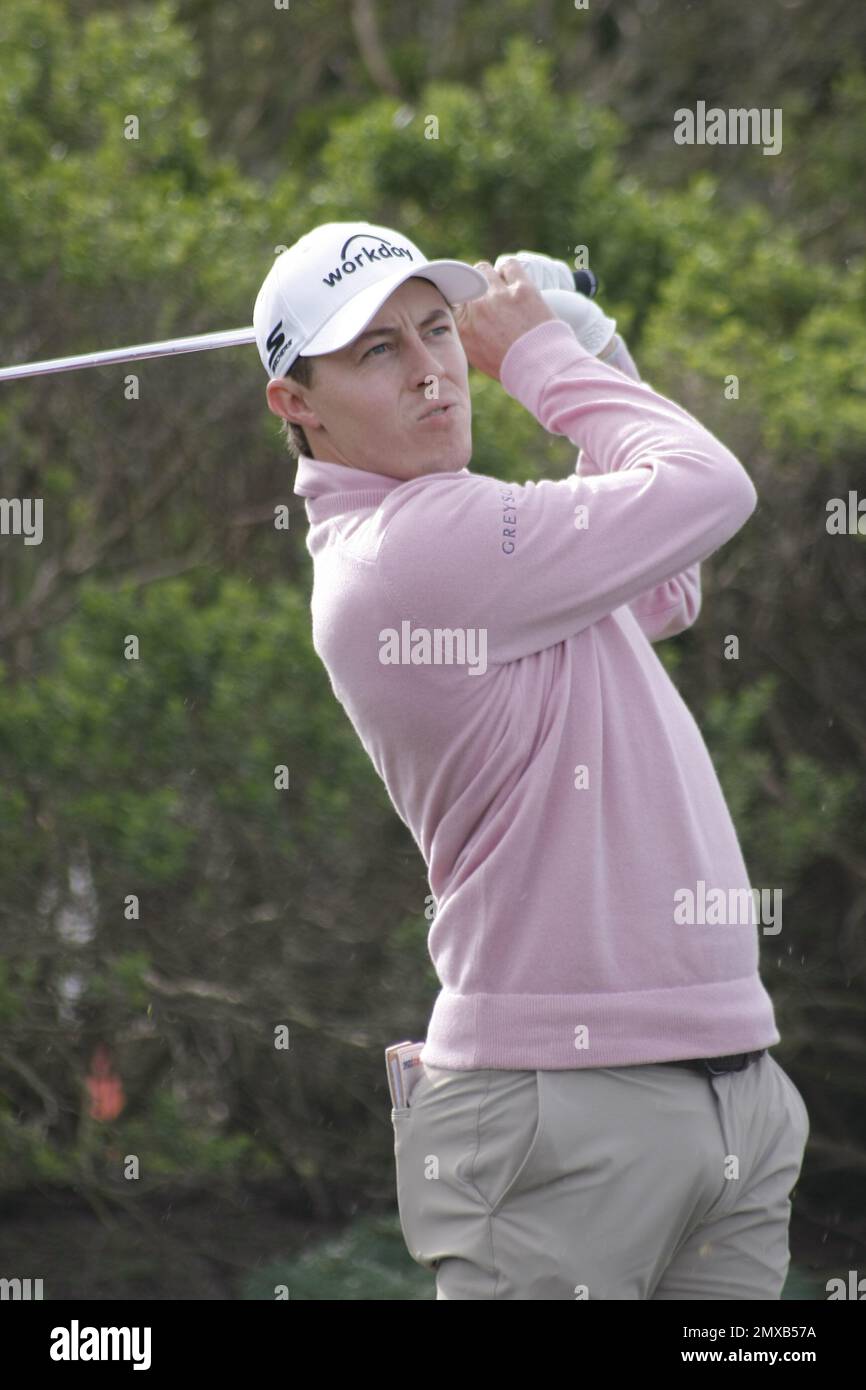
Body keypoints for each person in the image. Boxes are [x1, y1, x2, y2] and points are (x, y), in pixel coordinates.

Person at [252, 220, 809, 1300]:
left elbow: (665, 581)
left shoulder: (485, 544)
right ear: (296, 404)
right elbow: (709, 488)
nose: (429, 371)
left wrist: (591, 345)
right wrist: (548, 357)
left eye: (435, 331)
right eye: (377, 351)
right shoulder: (411, 550)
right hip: (557, 1106)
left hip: (726, 1085)